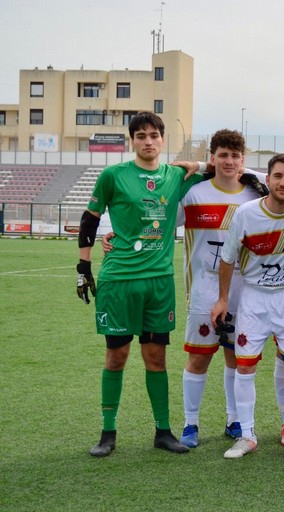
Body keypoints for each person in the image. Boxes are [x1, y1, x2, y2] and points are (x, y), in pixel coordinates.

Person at [77, 111, 201, 457]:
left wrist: (196, 162)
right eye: (141, 135)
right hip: (119, 281)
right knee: (116, 355)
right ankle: (107, 433)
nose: (148, 141)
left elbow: (227, 167)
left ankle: (163, 431)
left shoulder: (176, 175)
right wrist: (83, 266)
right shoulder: (113, 175)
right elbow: (90, 219)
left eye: (154, 135)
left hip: (159, 283)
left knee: (156, 357)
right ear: (132, 140)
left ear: (163, 140)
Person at [211, 153, 284, 461]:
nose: (283, 182)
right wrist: (221, 299)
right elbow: (228, 259)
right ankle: (247, 435)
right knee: (245, 366)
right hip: (254, 298)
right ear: (267, 179)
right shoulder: (245, 214)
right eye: (278, 176)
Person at [177, 129, 265, 448]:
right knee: (199, 358)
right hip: (204, 290)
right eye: (222, 155)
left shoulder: (256, 194)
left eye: (235, 156)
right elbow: (160, 219)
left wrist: (205, 165)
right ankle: (190, 424)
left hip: (246, 288)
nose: (229, 161)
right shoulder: (195, 194)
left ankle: (233, 419)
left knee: (236, 356)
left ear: (243, 160)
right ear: (213, 157)